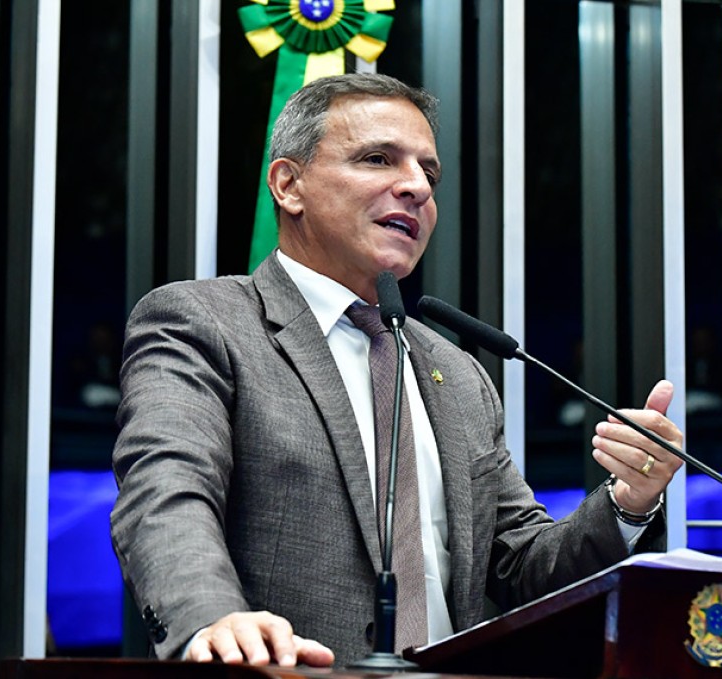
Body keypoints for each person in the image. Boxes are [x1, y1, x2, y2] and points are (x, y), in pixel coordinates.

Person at [110, 73, 683, 668]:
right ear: (288, 185)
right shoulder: (205, 323)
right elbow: (166, 491)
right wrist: (209, 618)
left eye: (429, 173)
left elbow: (523, 569)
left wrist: (628, 502)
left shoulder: (458, 375)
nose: (416, 187)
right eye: (378, 159)